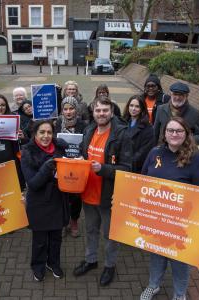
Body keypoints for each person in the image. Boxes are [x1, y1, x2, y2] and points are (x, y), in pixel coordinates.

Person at [140, 117, 199, 300]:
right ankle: (153, 285)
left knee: (180, 259)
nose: (174, 134)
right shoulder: (155, 152)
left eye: (179, 131)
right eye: (170, 130)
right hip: (157, 217)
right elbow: (141, 182)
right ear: (164, 133)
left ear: (186, 134)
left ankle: (179, 294)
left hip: (182, 222)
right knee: (156, 254)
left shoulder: (197, 159)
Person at [73, 96, 132, 286]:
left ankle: (109, 265)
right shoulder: (89, 130)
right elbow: (84, 154)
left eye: (105, 110)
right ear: (93, 112)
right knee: (90, 230)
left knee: (109, 234)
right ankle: (91, 260)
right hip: (88, 194)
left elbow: (127, 168)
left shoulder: (122, 134)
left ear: (111, 112)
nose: (101, 114)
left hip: (108, 196)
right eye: (98, 110)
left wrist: (103, 169)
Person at [20, 120, 69, 282]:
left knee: (56, 237)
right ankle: (38, 265)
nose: (46, 136)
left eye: (49, 132)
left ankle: (53, 263)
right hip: (38, 202)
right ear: (35, 133)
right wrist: (47, 167)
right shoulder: (27, 152)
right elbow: (33, 184)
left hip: (57, 199)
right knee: (40, 239)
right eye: (42, 132)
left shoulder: (61, 148)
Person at [54, 96, 87, 237]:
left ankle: (74, 221)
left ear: (76, 109)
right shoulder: (58, 122)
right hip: (62, 163)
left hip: (78, 165)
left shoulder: (83, 124)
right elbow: (54, 142)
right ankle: (63, 222)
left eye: (71, 108)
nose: (68, 112)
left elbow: (86, 143)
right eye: (65, 109)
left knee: (76, 196)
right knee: (62, 195)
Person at [0, 94, 25, 190]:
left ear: (6, 106)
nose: (0, 107)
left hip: (11, 160)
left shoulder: (13, 118)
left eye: (3, 105)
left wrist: (22, 137)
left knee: (13, 188)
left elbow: (23, 141)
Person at [122, 95, 155, 173]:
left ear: (142, 109)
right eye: (131, 105)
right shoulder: (122, 122)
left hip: (135, 168)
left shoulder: (148, 128)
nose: (133, 109)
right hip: (121, 165)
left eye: (137, 106)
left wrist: (128, 162)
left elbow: (144, 151)